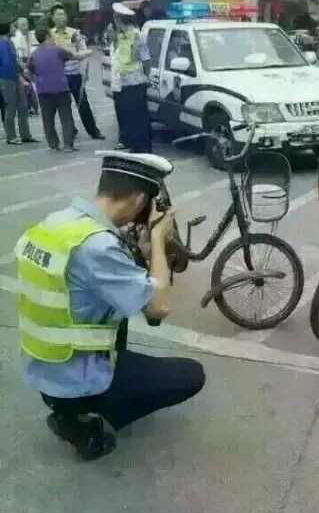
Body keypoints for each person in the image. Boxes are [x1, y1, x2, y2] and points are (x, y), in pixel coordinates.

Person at [15, 151, 205, 461]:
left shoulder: (60, 223)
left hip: (44, 364)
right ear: (140, 199)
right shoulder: (98, 246)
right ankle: (81, 420)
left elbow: (114, 285)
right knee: (191, 375)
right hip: (74, 378)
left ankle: (77, 404)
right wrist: (157, 241)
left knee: (118, 315)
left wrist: (141, 252)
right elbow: (157, 308)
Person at [29, 27, 90, 152]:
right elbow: (76, 57)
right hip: (61, 89)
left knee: (47, 119)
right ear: (47, 37)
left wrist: (37, 80)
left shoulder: (34, 54)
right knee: (66, 118)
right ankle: (68, 145)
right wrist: (88, 53)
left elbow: (30, 70)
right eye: (51, 36)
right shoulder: (58, 50)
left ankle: (53, 145)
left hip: (43, 91)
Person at [50, 4, 105, 140]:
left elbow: (84, 51)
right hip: (59, 76)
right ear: (53, 17)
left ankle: (93, 131)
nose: (62, 17)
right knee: (63, 105)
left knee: (83, 103)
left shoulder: (74, 33)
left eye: (63, 14)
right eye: (58, 14)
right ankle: (71, 129)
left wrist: (85, 70)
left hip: (74, 74)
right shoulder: (50, 35)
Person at [110, 2, 152, 153]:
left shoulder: (137, 36)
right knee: (130, 119)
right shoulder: (121, 37)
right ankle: (135, 147)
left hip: (137, 83)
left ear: (120, 20)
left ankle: (144, 149)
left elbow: (146, 61)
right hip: (124, 84)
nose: (115, 24)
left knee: (140, 119)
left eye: (116, 20)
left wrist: (146, 78)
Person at [0, 22, 38, 145]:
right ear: (6, 29)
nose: (14, 29)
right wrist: (19, 76)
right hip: (6, 78)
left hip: (15, 77)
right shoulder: (2, 43)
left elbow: (14, 61)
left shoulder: (9, 42)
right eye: (12, 27)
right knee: (10, 106)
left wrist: (22, 72)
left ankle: (25, 135)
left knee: (22, 106)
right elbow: (7, 63)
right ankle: (11, 136)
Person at [12, 17, 39, 115]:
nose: (25, 27)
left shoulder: (32, 35)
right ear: (18, 26)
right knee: (26, 85)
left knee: (33, 84)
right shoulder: (15, 38)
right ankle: (29, 106)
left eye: (26, 24)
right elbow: (16, 52)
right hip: (21, 62)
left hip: (33, 62)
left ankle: (34, 106)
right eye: (22, 25)